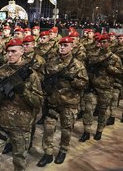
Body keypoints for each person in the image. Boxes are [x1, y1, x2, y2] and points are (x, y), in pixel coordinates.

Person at [0, 38, 43, 171]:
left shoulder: (31, 74)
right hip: (0, 122)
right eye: (7, 52)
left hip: (21, 125)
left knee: (19, 161)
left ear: (22, 52)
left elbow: (38, 102)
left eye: (13, 51)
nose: (10, 55)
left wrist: (23, 91)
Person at [37, 37, 88, 167]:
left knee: (66, 129)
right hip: (53, 101)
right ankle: (48, 153)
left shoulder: (77, 64)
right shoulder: (52, 61)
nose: (62, 47)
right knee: (48, 128)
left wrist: (71, 79)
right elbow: (41, 75)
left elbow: (84, 83)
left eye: (66, 45)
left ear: (72, 47)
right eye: (61, 45)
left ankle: (63, 150)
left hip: (69, 102)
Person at [84, 34, 123, 140]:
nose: (102, 44)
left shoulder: (115, 58)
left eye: (104, 42)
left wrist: (110, 68)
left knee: (103, 110)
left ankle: (99, 130)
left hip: (106, 88)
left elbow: (120, 72)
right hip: (92, 87)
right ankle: (86, 131)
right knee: (88, 109)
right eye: (101, 42)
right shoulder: (93, 54)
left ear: (109, 43)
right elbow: (87, 65)